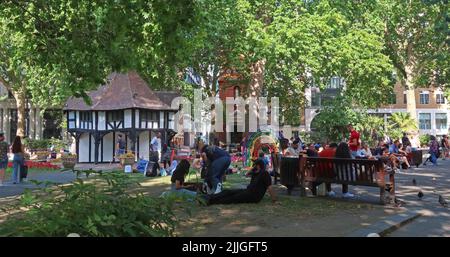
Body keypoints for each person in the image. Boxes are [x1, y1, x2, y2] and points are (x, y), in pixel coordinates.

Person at [201, 158, 277, 205]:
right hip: (248, 191)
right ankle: (208, 197)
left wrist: (274, 200)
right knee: (228, 191)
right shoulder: (255, 173)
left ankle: (210, 202)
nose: (253, 166)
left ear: (259, 166)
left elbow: (270, 188)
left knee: (232, 198)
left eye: (255, 164)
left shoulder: (265, 174)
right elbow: (246, 174)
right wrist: (253, 168)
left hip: (253, 197)